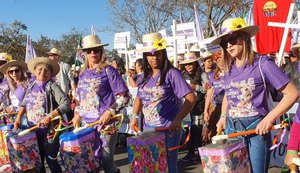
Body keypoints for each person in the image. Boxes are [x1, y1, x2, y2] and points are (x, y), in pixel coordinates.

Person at [211, 18, 298, 173]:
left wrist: (268, 119)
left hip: (256, 130)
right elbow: (228, 94)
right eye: (224, 43)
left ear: (244, 37)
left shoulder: (263, 63)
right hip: (232, 129)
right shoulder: (229, 67)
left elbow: (292, 93)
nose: (229, 45)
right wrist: (223, 116)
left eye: (231, 39)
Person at [129, 33, 196, 173]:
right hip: (149, 130)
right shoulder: (143, 77)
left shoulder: (172, 74)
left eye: (158, 53)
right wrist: (134, 116)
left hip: (168, 130)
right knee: (152, 167)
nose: (154, 57)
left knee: (169, 167)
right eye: (150, 54)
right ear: (145, 57)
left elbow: (190, 97)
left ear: (163, 54)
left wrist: (178, 120)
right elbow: (139, 98)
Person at [72, 34, 130, 173]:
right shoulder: (83, 73)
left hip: (107, 123)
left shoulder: (109, 70)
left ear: (101, 51)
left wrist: (110, 111)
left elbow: (124, 96)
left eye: (96, 49)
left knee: (106, 158)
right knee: (91, 160)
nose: (93, 53)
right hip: (87, 124)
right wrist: (77, 114)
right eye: (89, 50)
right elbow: (81, 98)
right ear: (84, 53)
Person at [13, 57, 70, 173]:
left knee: (51, 160)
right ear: (34, 71)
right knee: (38, 161)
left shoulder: (52, 86)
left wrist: (49, 116)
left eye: (46, 70)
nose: (43, 72)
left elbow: (66, 104)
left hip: (49, 131)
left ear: (50, 73)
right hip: (33, 131)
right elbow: (24, 103)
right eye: (40, 69)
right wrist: (18, 117)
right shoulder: (31, 85)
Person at [179, 52, 209, 161]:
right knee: (188, 130)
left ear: (195, 63)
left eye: (191, 63)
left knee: (197, 130)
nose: (188, 66)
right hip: (186, 107)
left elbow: (208, 89)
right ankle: (191, 152)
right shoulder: (182, 75)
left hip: (199, 107)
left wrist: (195, 87)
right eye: (186, 64)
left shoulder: (202, 74)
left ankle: (200, 153)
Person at [203, 50, 224, 144]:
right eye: (218, 60)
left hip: (228, 107)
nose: (220, 62)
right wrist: (206, 110)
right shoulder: (213, 75)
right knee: (213, 131)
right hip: (216, 105)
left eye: (222, 59)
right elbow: (210, 92)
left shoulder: (232, 73)